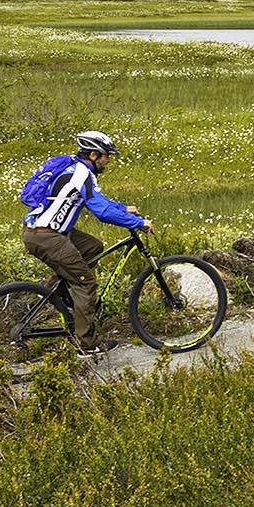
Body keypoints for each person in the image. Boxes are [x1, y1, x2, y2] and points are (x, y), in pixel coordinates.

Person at [20, 130, 149, 352]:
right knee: (85, 283)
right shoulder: (81, 174)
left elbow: (98, 200)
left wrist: (123, 209)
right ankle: (87, 345)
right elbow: (101, 212)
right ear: (93, 155)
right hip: (47, 237)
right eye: (106, 156)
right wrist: (137, 223)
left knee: (93, 246)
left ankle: (61, 295)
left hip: (42, 232)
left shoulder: (74, 167)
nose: (108, 161)